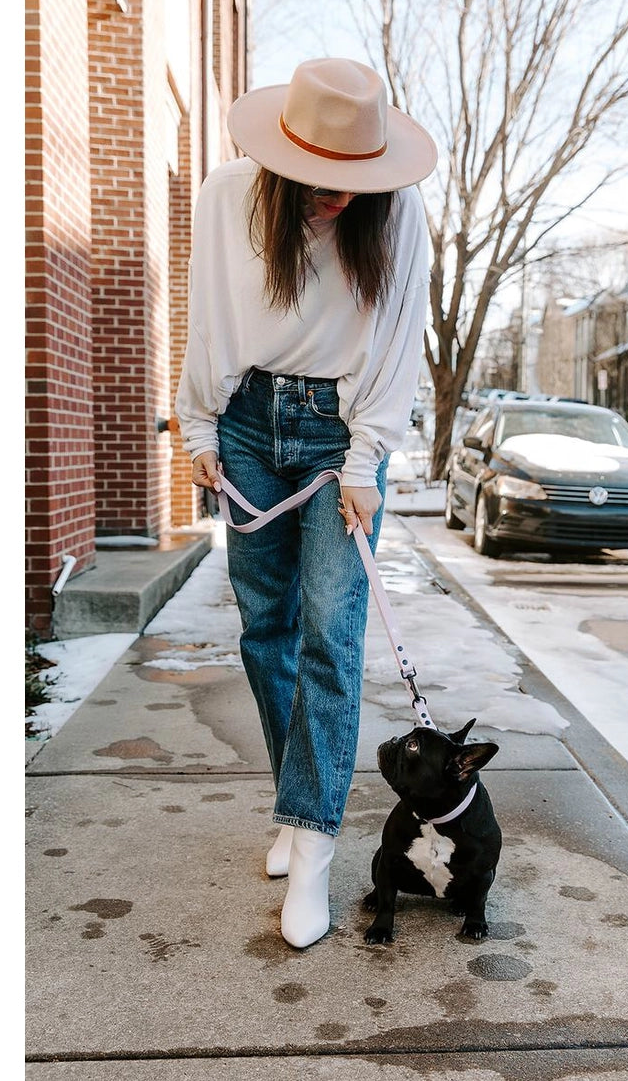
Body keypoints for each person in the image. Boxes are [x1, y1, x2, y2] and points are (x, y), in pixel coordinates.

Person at [175, 58, 437, 948]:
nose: (334, 199)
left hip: (338, 434)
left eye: (350, 183)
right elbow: (205, 313)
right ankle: (294, 806)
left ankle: (315, 843)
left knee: (331, 629)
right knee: (266, 627)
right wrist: (199, 430)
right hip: (246, 421)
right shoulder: (224, 199)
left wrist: (367, 461)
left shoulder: (399, 216)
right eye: (318, 182)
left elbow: (398, 343)